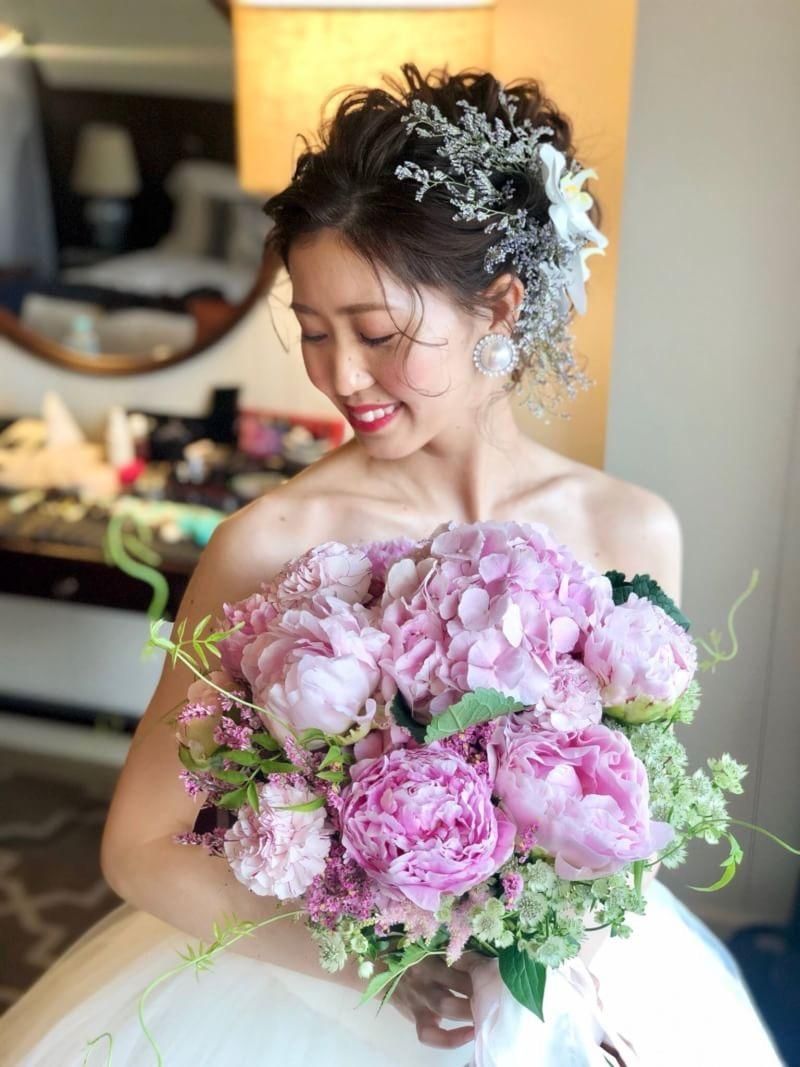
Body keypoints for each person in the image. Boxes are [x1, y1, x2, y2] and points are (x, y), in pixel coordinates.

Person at [0, 64, 784, 1067]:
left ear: (499, 307)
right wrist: (377, 965)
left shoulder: (632, 531)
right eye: (312, 331)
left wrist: (551, 956)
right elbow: (139, 845)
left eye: (377, 333)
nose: (339, 376)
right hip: (309, 1004)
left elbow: (632, 813)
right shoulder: (274, 542)